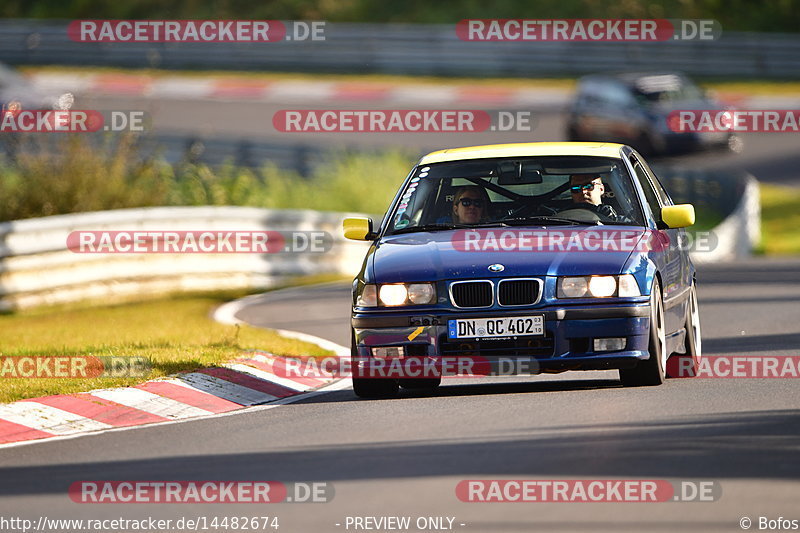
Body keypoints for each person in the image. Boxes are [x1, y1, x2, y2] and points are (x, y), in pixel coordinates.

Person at [565, 174, 630, 222]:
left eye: (588, 186)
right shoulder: (559, 220)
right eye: (575, 188)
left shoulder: (622, 224)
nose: (583, 191)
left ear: (601, 189)